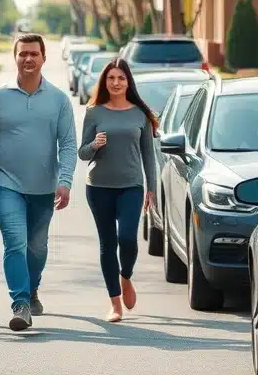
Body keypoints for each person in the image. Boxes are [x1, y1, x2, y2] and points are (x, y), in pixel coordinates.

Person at [0, 33, 77, 331]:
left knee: (37, 248)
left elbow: (69, 144)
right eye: (22, 53)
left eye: (33, 54)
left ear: (44, 58)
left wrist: (65, 181)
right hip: (6, 183)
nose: (28, 58)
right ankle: (21, 303)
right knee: (15, 243)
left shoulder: (59, 100)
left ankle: (32, 286)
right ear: (15, 58)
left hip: (44, 187)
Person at [77, 58, 158, 322]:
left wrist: (151, 189)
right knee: (107, 244)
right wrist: (95, 145)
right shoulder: (94, 112)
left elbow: (149, 155)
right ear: (105, 81)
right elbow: (82, 153)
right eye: (111, 78)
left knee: (128, 239)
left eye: (120, 78)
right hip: (98, 186)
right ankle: (115, 304)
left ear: (128, 82)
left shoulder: (140, 114)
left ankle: (126, 278)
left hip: (131, 186)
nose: (115, 83)